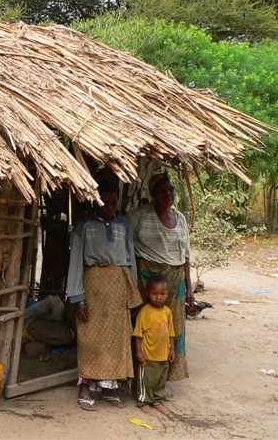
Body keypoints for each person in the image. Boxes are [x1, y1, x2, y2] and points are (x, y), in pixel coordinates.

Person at [66, 181, 141, 411]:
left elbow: (132, 262)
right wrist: (78, 298)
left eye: (112, 203)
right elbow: (76, 262)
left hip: (118, 291)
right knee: (89, 339)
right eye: (104, 203)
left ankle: (109, 387)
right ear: (95, 202)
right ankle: (85, 388)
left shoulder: (124, 226)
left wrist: (133, 294)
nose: (109, 207)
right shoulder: (84, 227)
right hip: (93, 289)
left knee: (117, 341)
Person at [126, 172, 194, 381]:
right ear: (153, 194)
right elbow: (125, 245)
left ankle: (168, 375)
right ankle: (141, 376)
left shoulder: (180, 219)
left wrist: (189, 287)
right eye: (162, 191)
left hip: (175, 281)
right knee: (145, 326)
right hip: (148, 279)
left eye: (171, 189)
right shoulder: (138, 216)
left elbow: (186, 255)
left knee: (173, 327)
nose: (168, 194)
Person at [133, 274, 175, 415]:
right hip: (148, 355)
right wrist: (139, 352)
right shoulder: (145, 312)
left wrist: (172, 350)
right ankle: (144, 400)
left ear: (167, 294)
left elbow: (171, 333)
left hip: (163, 354)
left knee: (160, 379)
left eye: (162, 294)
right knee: (146, 380)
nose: (158, 297)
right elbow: (138, 334)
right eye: (154, 294)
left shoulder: (167, 312)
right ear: (147, 293)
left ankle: (157, 400)